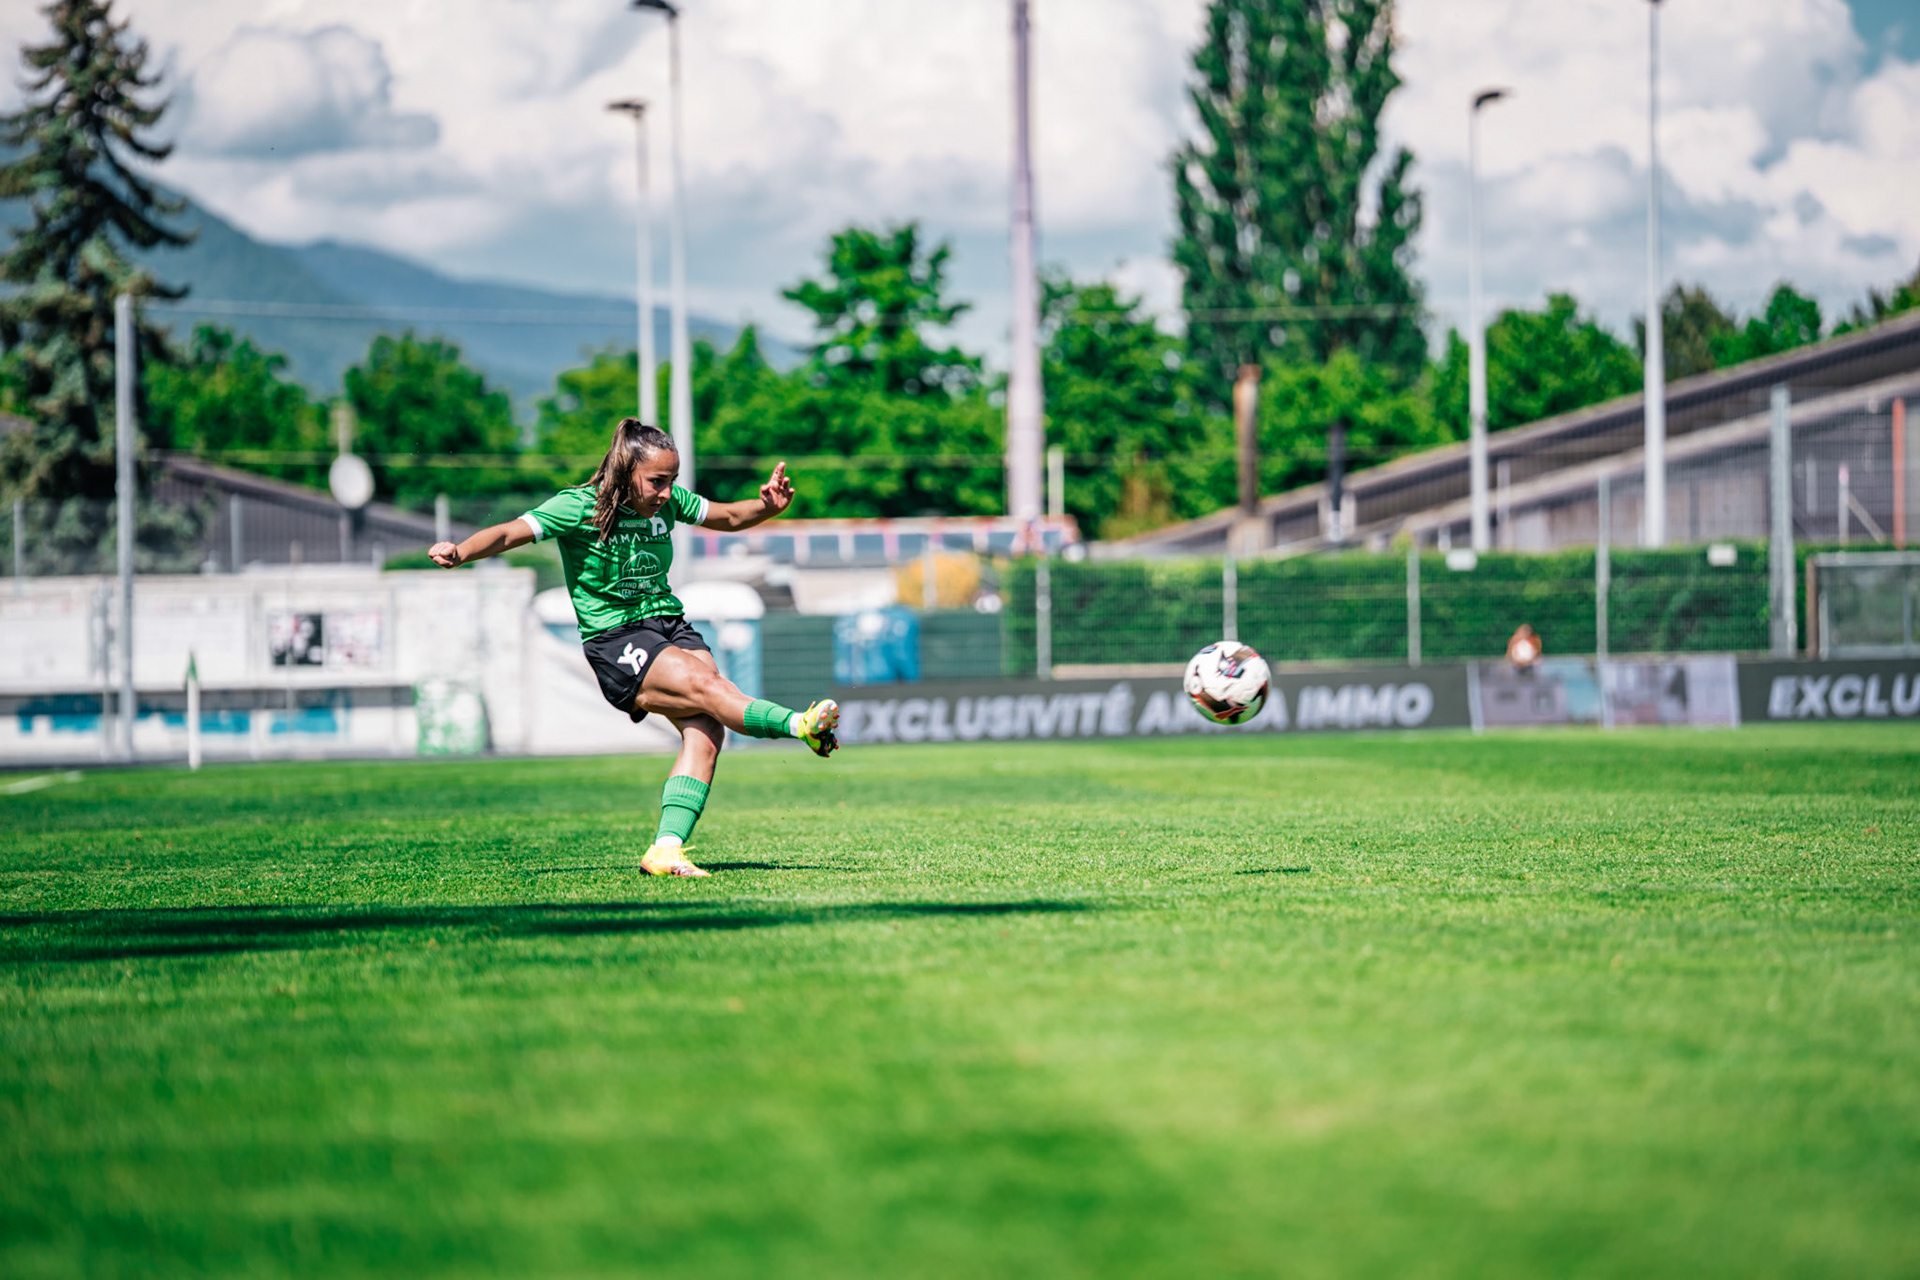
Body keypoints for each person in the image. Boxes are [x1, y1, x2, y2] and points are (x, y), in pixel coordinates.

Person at [428, 417, 838, 878]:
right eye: (657, 481)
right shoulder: (577, 506)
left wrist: (767, 507)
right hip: (616, 637)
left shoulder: (668, 502)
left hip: (668, 623)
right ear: (625, 472)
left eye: (672, 481)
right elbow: (508, 533)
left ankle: (665, 851)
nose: (666, 492)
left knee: (706, 729)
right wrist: (461, 552)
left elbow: (727, 517)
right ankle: (800, 724)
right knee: (708, 688)